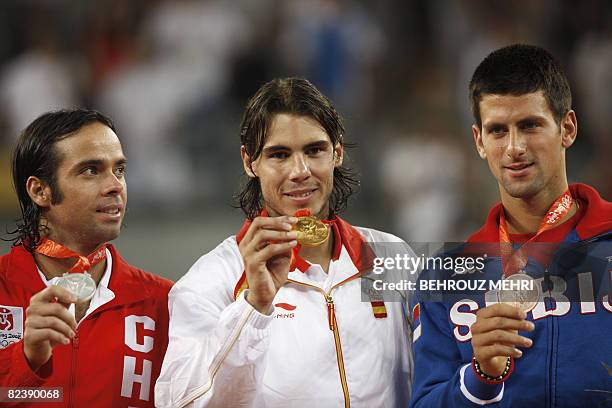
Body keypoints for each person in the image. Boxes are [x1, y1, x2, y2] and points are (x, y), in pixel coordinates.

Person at [155, 77, 414, 407]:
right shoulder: (213, 278)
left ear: (337, 152)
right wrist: (254, 306)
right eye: (279, 155)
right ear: (250, 162)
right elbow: (181, 402)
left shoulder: (390, 255)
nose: (300, 171)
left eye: (314, 150)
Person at [410, 44, 612, 407]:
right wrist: (480, 377)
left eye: (530, 125)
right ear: (479, 141)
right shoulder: (446, 276)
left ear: (567, 129)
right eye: (498, 130)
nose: (514, 147)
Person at [0, 109, 173, 407]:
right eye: (91, 170)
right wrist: (25, 358)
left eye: (119, 170)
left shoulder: (165, 303)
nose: (115, 185)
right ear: (40, 190)